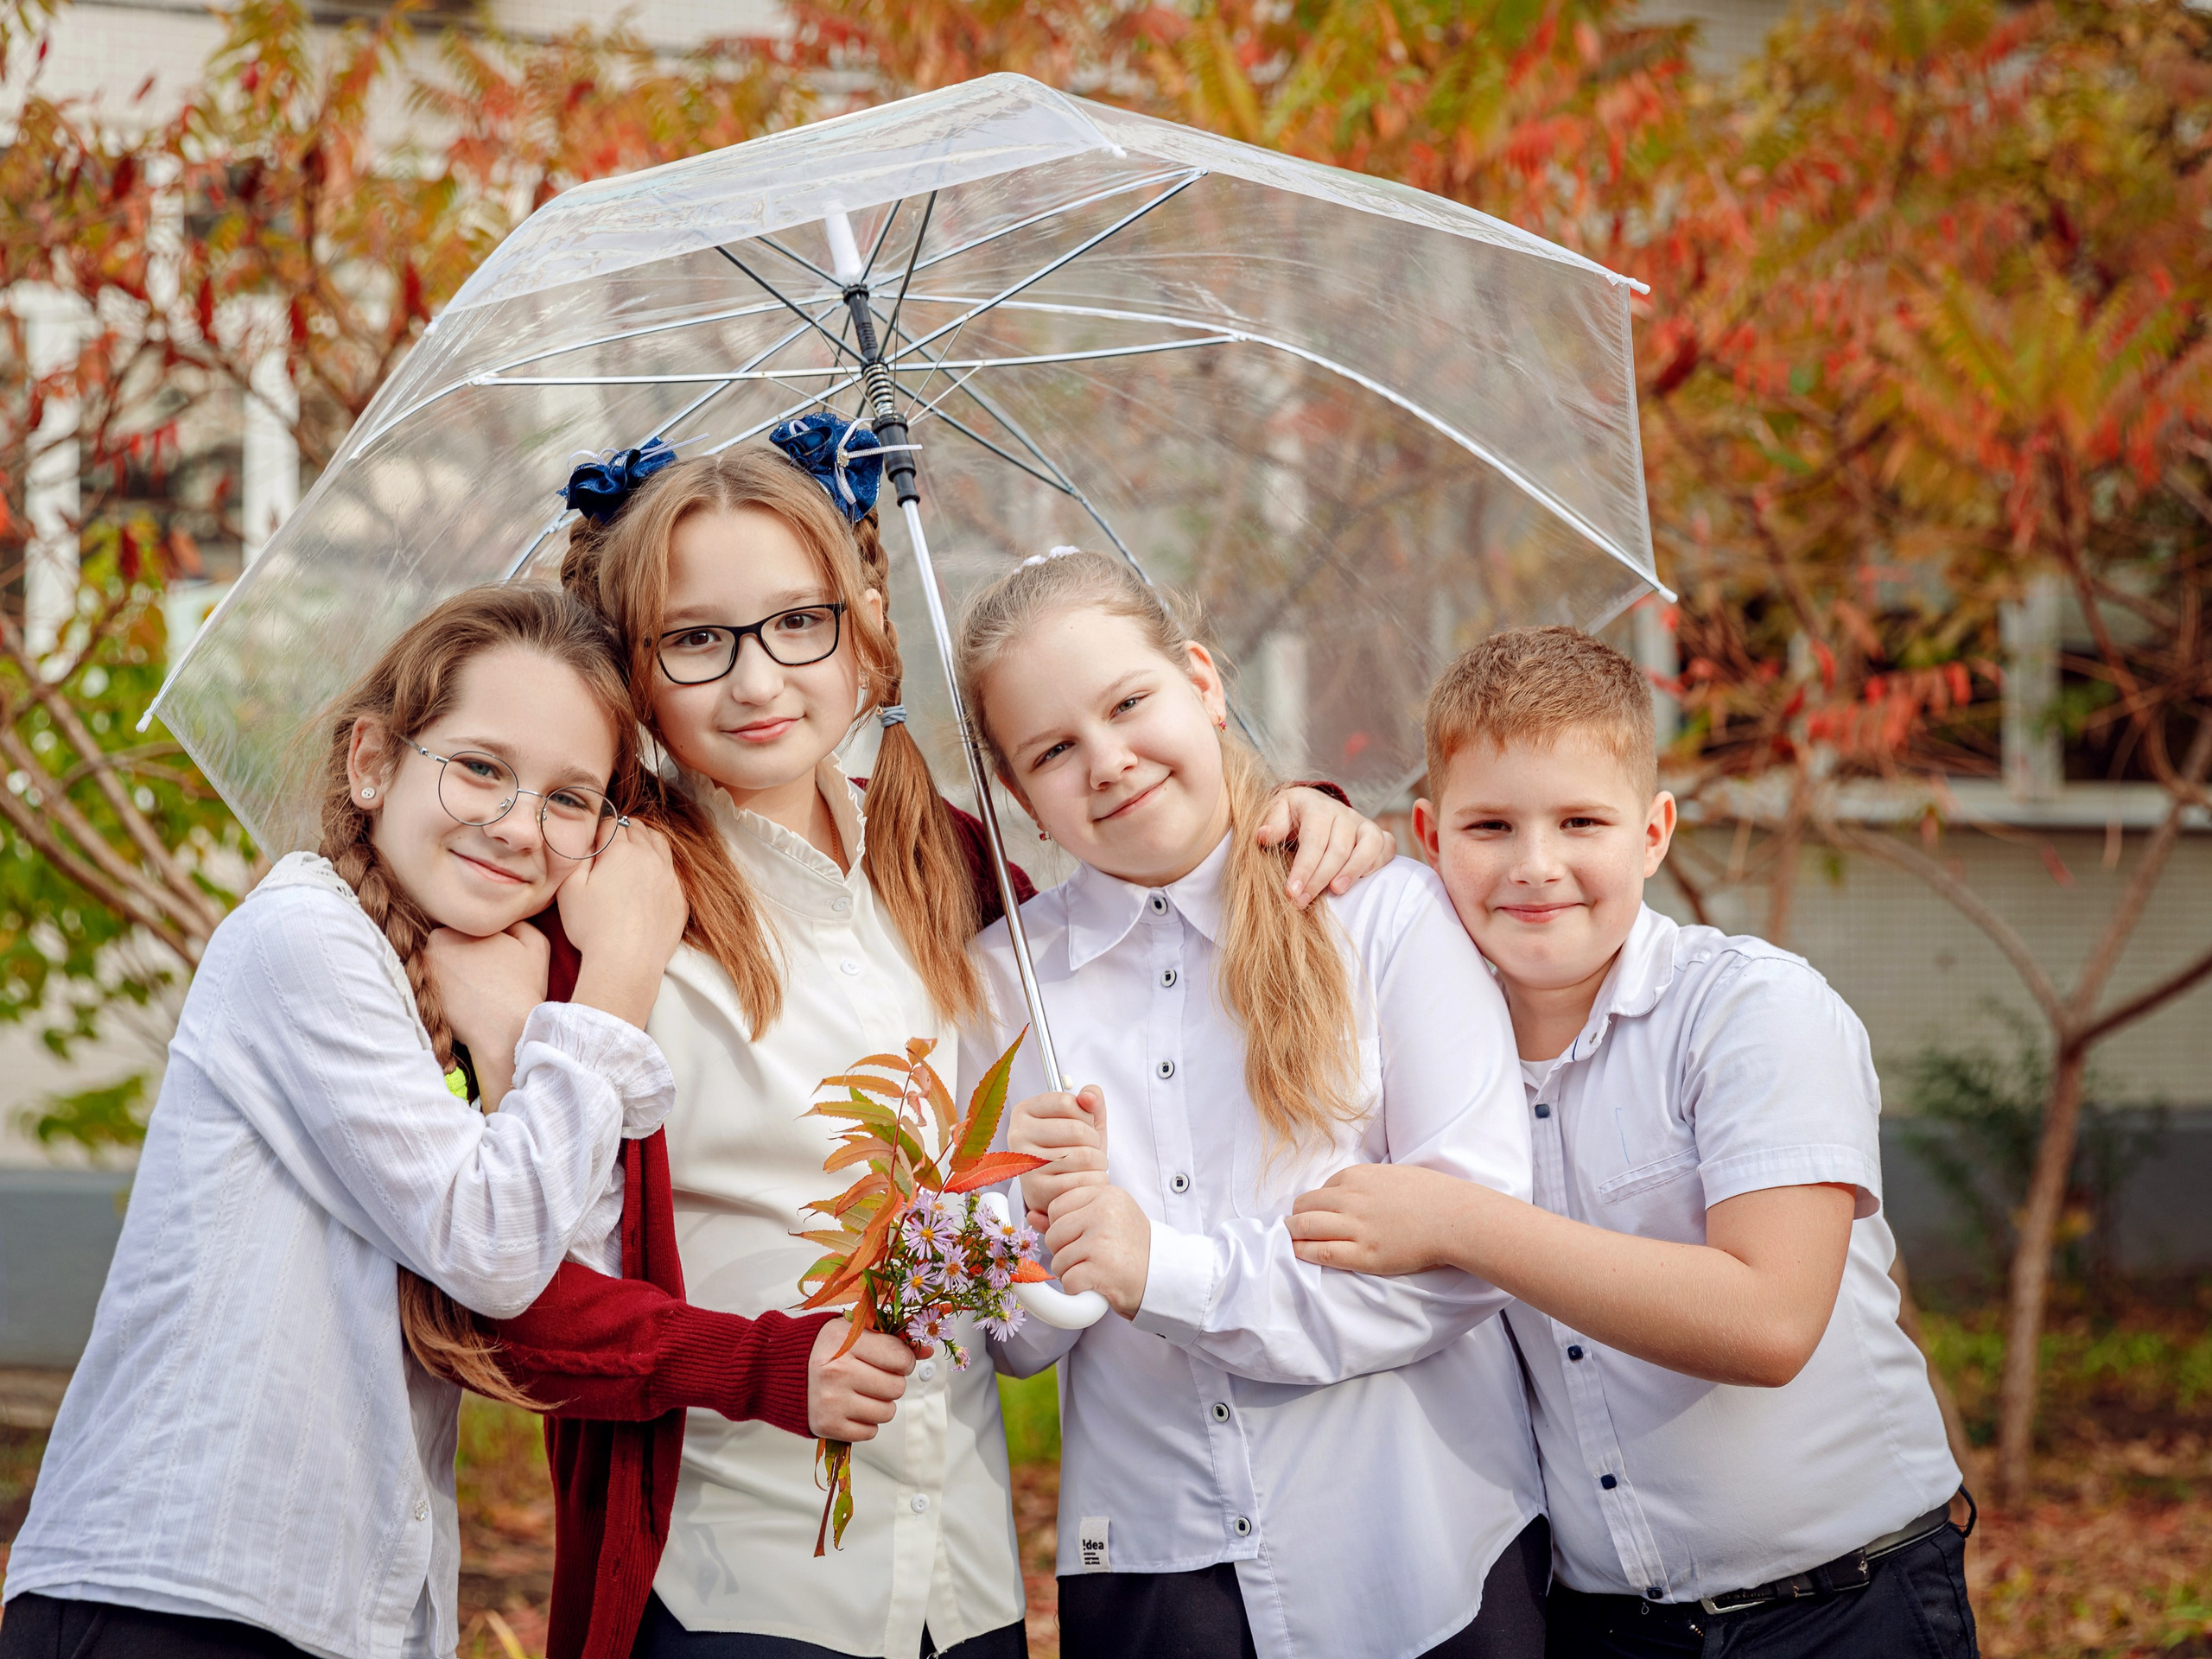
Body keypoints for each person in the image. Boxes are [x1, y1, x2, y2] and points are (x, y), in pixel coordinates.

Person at [479, 426, 1396, 1659]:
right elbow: (517, 1297)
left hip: (962, 1586)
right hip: (733, 1588)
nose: (756, 682)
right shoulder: (600, 910)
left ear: (862, 627)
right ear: (634, 671)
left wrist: (1294, 818)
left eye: (796, 621)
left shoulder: (952, 866)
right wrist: (761, 1368)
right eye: (697, 640)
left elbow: (1139, 900)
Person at [0, 586, 689, 1659]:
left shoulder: (467, 1000)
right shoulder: (304, 939)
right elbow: (496, 1249)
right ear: (372, 761)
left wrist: (516, 1046)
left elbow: (574, 1275)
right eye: (481, 766)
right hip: (179, 1599)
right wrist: (619, 972)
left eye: (569, 798)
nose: (517, 825)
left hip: (341, 1612)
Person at [1287, 626, 1977, 1659]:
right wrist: (1311, 813)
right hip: (1604, 1628)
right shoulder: (1420, 1054)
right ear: (1428, 835)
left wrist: (1457, 1220)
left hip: (1842, 1609)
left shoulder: (1752, 1011)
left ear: (1652, 833)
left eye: (1580, 821)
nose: (1535, 866)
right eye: (1489, 826)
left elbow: (1770, 1323)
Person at [955, 549, 1548, 1659]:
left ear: (1201, 681)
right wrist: (1022, 1236)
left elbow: (1464, 1255)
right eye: (1051, 750)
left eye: (1129, 702)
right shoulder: (1001, 987)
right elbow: (1013, 1346)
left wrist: (1158, 1270)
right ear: (1019, 795)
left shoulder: (1381, 915)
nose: (1108, 761)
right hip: (1153, 1572)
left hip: (1419, 1545)